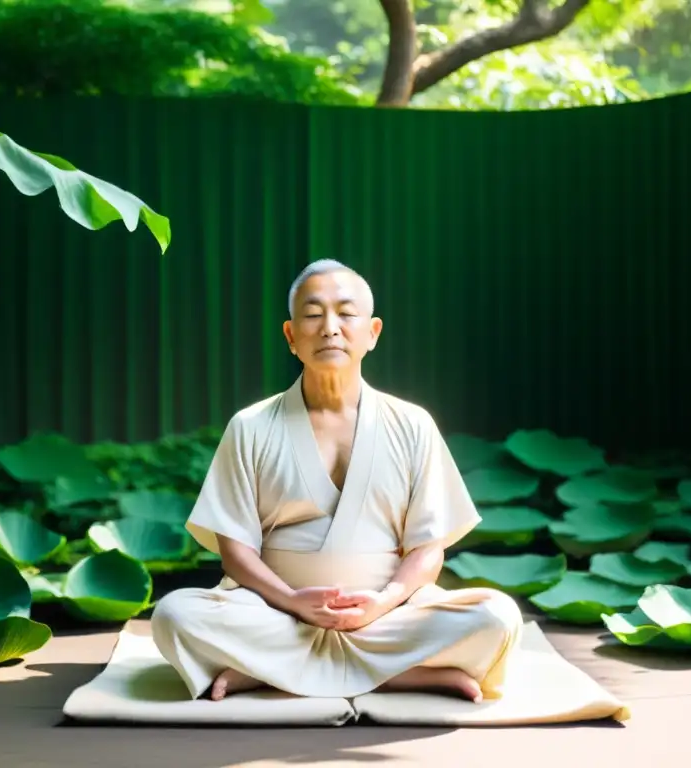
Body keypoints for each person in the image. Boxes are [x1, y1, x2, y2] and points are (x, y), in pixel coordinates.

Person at [151, 259, 524, 703]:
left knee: (497, 617)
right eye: (312, 315)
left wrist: (382, 603)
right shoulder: (250, 426)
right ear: (291, 336)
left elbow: (427, 548)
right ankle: (400, 674)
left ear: (373, 333)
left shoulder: (412, 423)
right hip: (276, 612)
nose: (330, 327)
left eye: (346, 314)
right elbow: (234, 551)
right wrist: (291, 601)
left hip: (387, 615)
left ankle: (273, 672)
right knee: (173, 615)